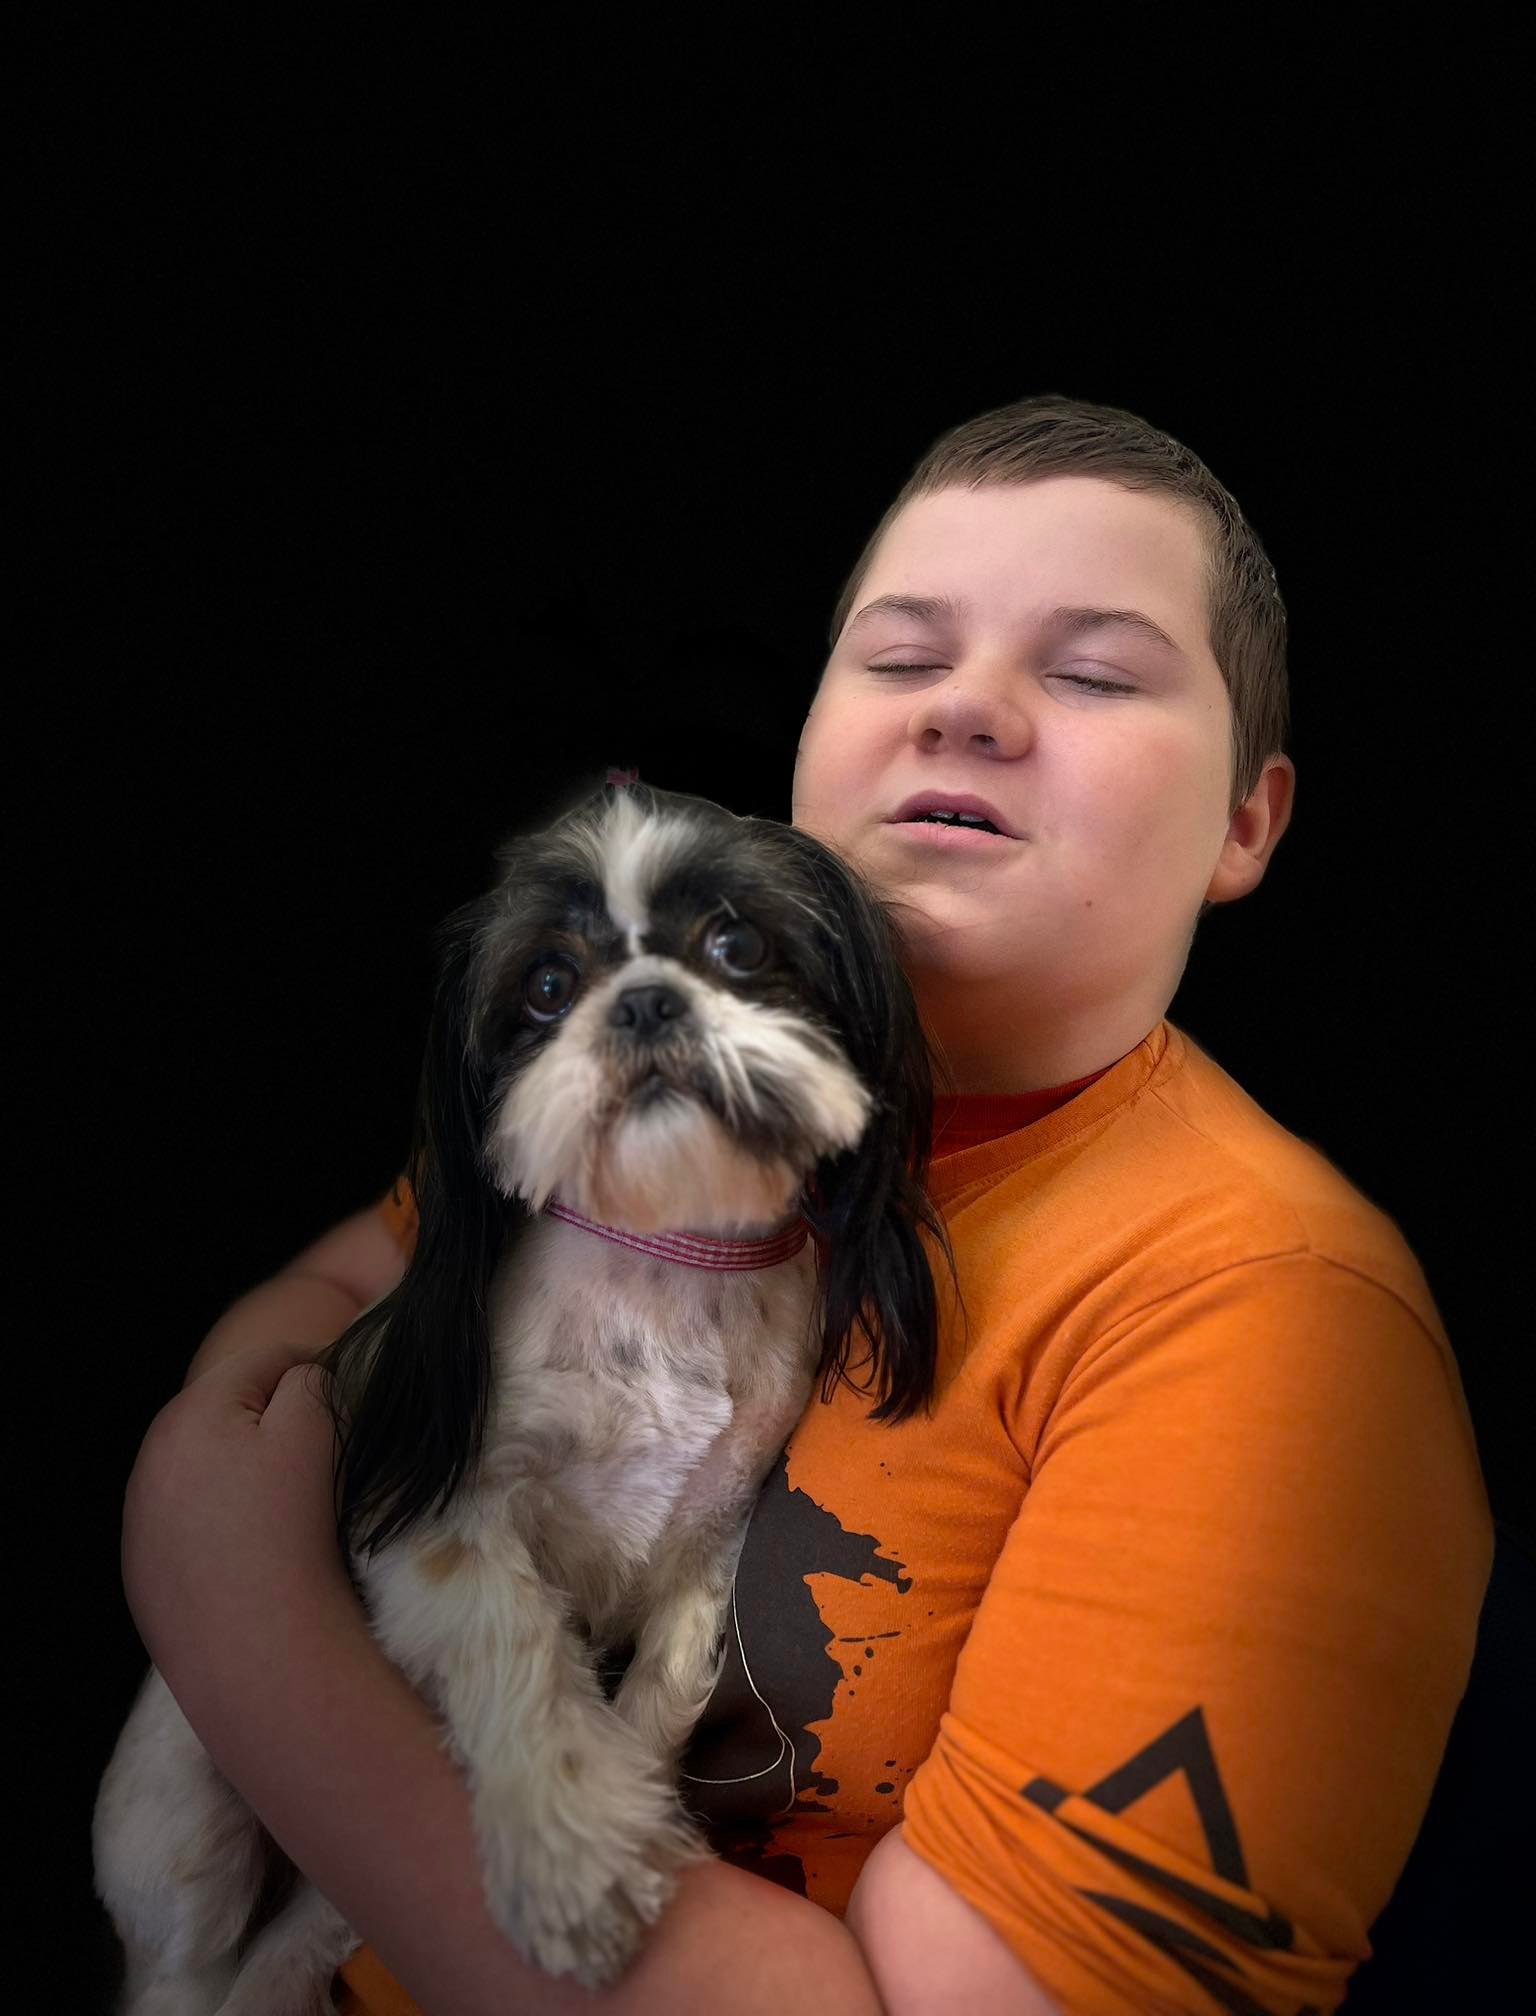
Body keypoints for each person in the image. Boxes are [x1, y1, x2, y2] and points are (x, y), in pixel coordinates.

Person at [120, 394, 1494, 2016]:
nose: (965, 710)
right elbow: (360, 1283)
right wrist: (219, 1437)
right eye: (902, 658)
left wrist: (244, 1626)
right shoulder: (652, 1096)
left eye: (1093, 673)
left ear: (1247, 822)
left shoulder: (1270, 1322)